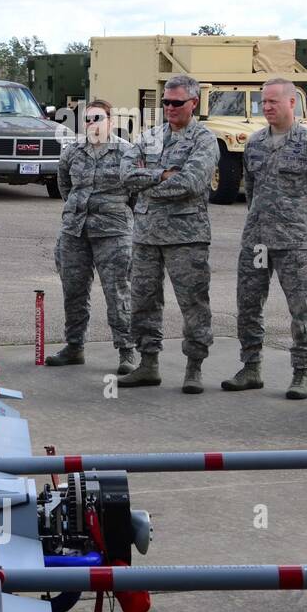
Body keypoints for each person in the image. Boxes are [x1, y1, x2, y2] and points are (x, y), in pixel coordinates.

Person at [118, 74, 218, 394]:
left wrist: (149, 186)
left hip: (186, 235)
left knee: (193, 303)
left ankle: (194, 367)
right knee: (143, 300)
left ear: (194, 103)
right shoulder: (149, 138)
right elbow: (126, 175)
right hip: (146, 234)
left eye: (177, 102)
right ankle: (148, 364)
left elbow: (191, 182)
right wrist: (161, 175)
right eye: (165, 102)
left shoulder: (204, 140)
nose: (170, 108)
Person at [222, 78, 307, 399]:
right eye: (265, 102)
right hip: (257, 240)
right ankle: (251, 367)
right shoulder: (255, 143)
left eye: (274, 101)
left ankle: (302, 372)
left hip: (295, 240)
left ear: (292, 103)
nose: (267, 107)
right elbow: (252, 190)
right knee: (248, 304)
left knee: (302, 309)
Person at [46, 98, 135, 374]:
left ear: (111, 121)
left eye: (98, 118)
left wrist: (114, 213)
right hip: (75, 231)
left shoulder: (127, 153)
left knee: (117, 292)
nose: (91, 123)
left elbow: (136, 193)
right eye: (87, 119)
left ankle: (127, 350)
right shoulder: (72, 152)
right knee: (73, 291)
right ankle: (74, 346)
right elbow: (65, 186)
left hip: (113, 234)